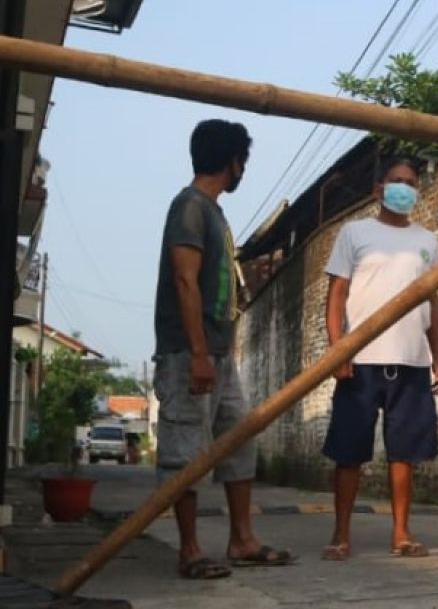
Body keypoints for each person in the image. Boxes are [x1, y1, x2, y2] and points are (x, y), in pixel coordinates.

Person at [153, 119, 294, 579]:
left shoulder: (213, 212)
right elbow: (184, 280)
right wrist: (197, 352)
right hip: (186, 353)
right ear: (233, 161)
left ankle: (242, 540)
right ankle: (189, 551)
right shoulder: (189, 207)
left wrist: (220, 351)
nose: (243, 171)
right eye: (243, 162)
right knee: (185, 453)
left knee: (238, 439)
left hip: (215, 354)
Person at [321, 157, 438, 561]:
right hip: (360, 361)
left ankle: (401, 533)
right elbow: (336, 295)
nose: (404, 189)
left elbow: (433, 301)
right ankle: (340, 535)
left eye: (411, 183)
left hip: (411, 361)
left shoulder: (427, 240)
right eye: (397, 181)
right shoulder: (355, 232)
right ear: (378, 190)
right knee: (349, 453)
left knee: (405, 454)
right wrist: (338, 349)